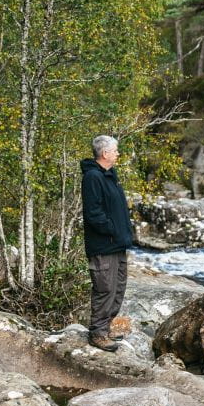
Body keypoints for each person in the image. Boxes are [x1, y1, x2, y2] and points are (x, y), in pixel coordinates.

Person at [81, 135, 133, 351]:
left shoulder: (110, 176)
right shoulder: (93, 177)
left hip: (117, 244)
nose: (118, 154)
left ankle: (107, 327)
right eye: (115, 150)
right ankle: (98, 333)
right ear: (105, 153)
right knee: (105, 289)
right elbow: (94, 214)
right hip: (104, 245)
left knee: (118, 288)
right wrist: (112, 231)